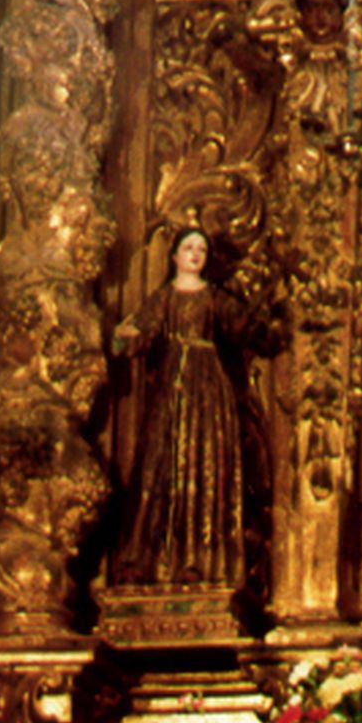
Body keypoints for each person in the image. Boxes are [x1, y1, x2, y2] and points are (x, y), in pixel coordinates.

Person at [111, 226, 257, 590]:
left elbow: (242, 326)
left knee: (201, 466)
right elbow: (140, 331)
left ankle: (196, 560)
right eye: (188, 247)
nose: (195, 254)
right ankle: (144, 560)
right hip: (169, 390)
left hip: (208, 390)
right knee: (156, 467)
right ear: (174, 255)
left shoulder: (214, 298)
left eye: (201, 249)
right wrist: (124, 339)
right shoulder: (163, 298)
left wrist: (257, 315)